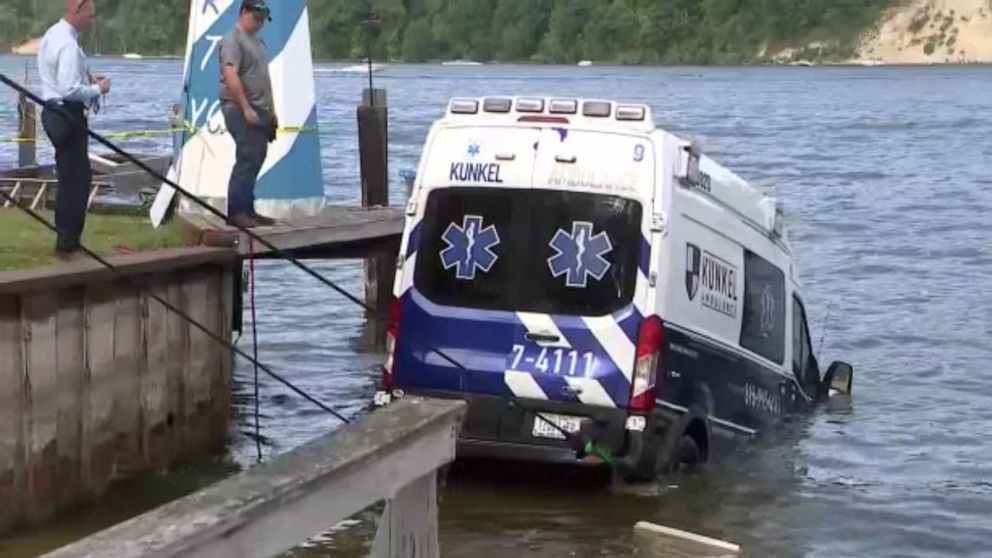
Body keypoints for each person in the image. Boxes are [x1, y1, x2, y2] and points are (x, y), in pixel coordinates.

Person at [37, 0, 110, 258]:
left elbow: (61, 78)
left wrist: (86, 80)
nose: (92, 22)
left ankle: (65, 235)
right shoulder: (68, 44)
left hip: (51, 110)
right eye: (89, 16)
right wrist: (96, 89)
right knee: (77, 179)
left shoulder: (52, 35)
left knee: (69, 177)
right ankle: (68, 240)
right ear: (75, 11)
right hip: (66, 113)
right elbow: (68, 88)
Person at [219, 0, 278, 228]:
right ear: (243, 12)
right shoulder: (232, 39)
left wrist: (272, 113)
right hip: (239, 108)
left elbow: (264, 80)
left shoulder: (258, 43)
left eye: (263, 18)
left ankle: (248, 209)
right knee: (247, 156)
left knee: (257, 156)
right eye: (256, 17)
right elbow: (231, 75)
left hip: (260, 108)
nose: (260, 22)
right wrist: (245, 108)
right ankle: (235, 212)